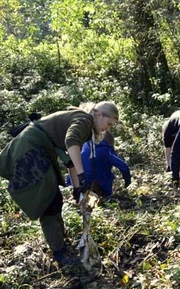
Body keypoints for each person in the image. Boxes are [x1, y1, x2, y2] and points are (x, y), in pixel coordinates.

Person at [0, 101, 119, 265]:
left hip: (38, 149)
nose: (108, 128)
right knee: (48, 201)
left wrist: (77, 187)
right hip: (31, 150)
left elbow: (69, 158)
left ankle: (61, 244)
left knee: (54, 199)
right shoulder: (85, 120)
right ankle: (60, 254)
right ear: (99, 115)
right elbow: (71, 142)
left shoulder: (83, 122)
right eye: (109, 123)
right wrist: (82, 175)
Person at [68, 131, 131, 197]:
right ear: (110, 141)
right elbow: (124, 167)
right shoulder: (106, 150)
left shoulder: (83, 148)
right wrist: (127, 181)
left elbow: (72, 166)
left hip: (78, 185)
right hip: (100, 186)